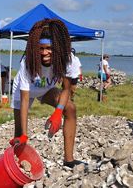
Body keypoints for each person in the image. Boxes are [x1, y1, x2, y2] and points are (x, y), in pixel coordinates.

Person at [10, 18, 86, 169]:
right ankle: (15, 163)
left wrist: (58, 112)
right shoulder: (28, 62)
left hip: (45, 89)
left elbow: (66, 89)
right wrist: (25, 134)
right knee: (19, 133)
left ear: (57, 48)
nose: (44, 53)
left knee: (70, 108)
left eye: (49, 48)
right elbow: (25, 100)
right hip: (25, 91)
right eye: (41, 48)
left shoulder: (68, 60)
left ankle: (69, 160)